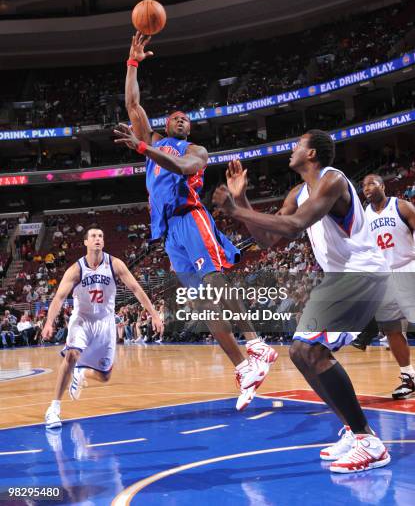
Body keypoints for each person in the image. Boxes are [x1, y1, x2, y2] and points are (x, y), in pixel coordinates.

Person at [113, 32, 277, 411]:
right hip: (170, 233)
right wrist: (132, 63)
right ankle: (244, 369)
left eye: (187, 119)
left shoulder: (194, 150)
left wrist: (142, 148)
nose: (182, 121)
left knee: (216, 282)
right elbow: (132, 103)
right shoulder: (152, 138)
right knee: (204, 305)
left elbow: (184, 168)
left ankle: (254, 341)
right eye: (176, 117)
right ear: (166, 124)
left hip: (192, 218)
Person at [213, 130, 391, 473]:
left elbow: (295, 226)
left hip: (362, 273)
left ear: (312, 154)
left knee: (312, 351)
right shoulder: (298, 191)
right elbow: (267, 240)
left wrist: (236, 210)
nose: (291, 149)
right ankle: (355, 433)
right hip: (338, 277)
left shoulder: (333, 180)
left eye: (297, 145)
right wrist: (244, 203)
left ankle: (369, 442)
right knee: (299, 353)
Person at [43, 225, 163, 429]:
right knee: (71, 355)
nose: (97, 238)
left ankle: (81, 374)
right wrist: (48, 322)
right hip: (82, 319)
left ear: (103, 242)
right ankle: (53, 409)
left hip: (105, 322)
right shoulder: (76, 269)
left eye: (100, 235)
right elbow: (59, 297)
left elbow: (135, 288)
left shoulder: (115, 264)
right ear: (86, 242)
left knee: (105, 376)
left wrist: (154, 315)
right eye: (93, 236)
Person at [363, 173, 415, 399]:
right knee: (391, 328)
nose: (366, 188)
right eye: (363, 185)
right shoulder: (363, 217)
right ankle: (409, 377)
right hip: (383, 276)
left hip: (408, 267)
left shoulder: (401, 206)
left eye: (371, 183)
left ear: (382, 186)